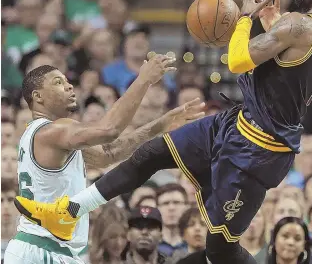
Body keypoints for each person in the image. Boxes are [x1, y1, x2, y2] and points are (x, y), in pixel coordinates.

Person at [15, 0, 312, 264]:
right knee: (151, 153)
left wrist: (244, 18)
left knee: (220, 249)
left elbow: (239, 60)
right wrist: (273, 22)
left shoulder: (301, 25)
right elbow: (290, 65)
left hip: (260, 148)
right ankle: (70, 211)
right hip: (241, 123)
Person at [5, 57, 205, 264]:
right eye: (57, 82)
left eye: (66, 80)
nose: (69, 86)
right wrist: (144, 79)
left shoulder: (50, 136)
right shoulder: (51, 130)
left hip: (45, 249)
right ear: (38, 97)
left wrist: (160, 125)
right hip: (42, 248)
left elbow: (109, 154)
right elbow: (109, 130)